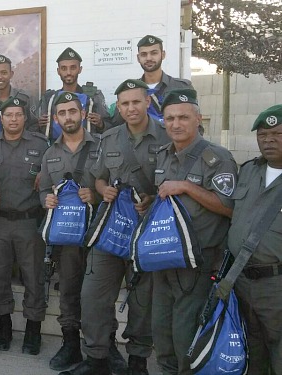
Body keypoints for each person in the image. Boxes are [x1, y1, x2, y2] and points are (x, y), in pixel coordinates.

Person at [68, 79, 171, 375]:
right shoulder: (110, 138)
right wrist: (104, 189)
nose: (130, 108)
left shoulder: (165, 135)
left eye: (136, 102)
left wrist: (153, 198)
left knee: (142, 299)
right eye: (124, 103)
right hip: (111, 229)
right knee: (93, 295)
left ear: (147, 102)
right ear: (119, 107)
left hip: (148, 232)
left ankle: (138, 361)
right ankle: (97, 359)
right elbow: (97, 177)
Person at [151, 89, 236, 374]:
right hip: (164, 261)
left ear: (198, 119)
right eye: (170, 118)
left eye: (184, 118)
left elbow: (228, 207)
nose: (176, 124)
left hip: (197, 263)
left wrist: (187, 186)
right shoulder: (163, 155)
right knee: (161, 332)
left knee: (185, 336)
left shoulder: (217, 158)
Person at [38, 92, 101, 372]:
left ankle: (103, 348)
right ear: (55, 118)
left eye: (72, 111)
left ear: (83, 114)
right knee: (69, 292)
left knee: (99, 293)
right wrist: (46, 200)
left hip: (99, 233)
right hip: (67, 239)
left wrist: (96, 195)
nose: (68, 117)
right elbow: (42, 189)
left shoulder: (101, 146)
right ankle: (71, 345)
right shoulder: (50, 153)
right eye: (62, 113)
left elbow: (117, 185)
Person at [0, 96, 49, 354]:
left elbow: (53, 172)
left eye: (18, 115)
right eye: (8, 114)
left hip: (29, 222)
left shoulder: (41, 146)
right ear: (2, 117)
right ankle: (4, 328)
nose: (13, 119)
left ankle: (33, 331)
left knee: (34, 277)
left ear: (24, 117)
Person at [228, 104, 282, 375]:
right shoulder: (249, 171)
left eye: (277, 134)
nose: (268, 140)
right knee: (252, 351)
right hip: (243, 281)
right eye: (263, 135)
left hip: (276, 286)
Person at [112, 35, 193, 125]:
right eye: (144, 54)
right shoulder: (130, 90)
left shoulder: (181, 87)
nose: (149, 58)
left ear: (163, 55)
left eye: (154, 53)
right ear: (138, 58)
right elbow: (116, 125)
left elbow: (195, 124)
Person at [37, 47, 112, 142]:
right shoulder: (49, 99)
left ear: (80, 69)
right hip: (55, 150)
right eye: (64, 68)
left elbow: (111, 127)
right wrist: (39, 125)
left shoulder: (93, 97)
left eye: (73, 67)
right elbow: (35, 132)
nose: (68, 72)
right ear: (58, 71)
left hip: (87, 150)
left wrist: (101, 124)